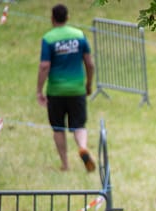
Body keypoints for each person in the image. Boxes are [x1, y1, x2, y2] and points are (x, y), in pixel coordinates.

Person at [36, 4, 95, 172]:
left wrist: (39, 90)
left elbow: (44, 66)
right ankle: (82, 147)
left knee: (58, 128)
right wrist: (88, 84)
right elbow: (90, 63)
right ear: (68, 17)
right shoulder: (79, 35)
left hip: (56, 91)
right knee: (79, 125)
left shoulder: (48, 38)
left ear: (52, 19)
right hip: (77, 89)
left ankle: (65, 164)